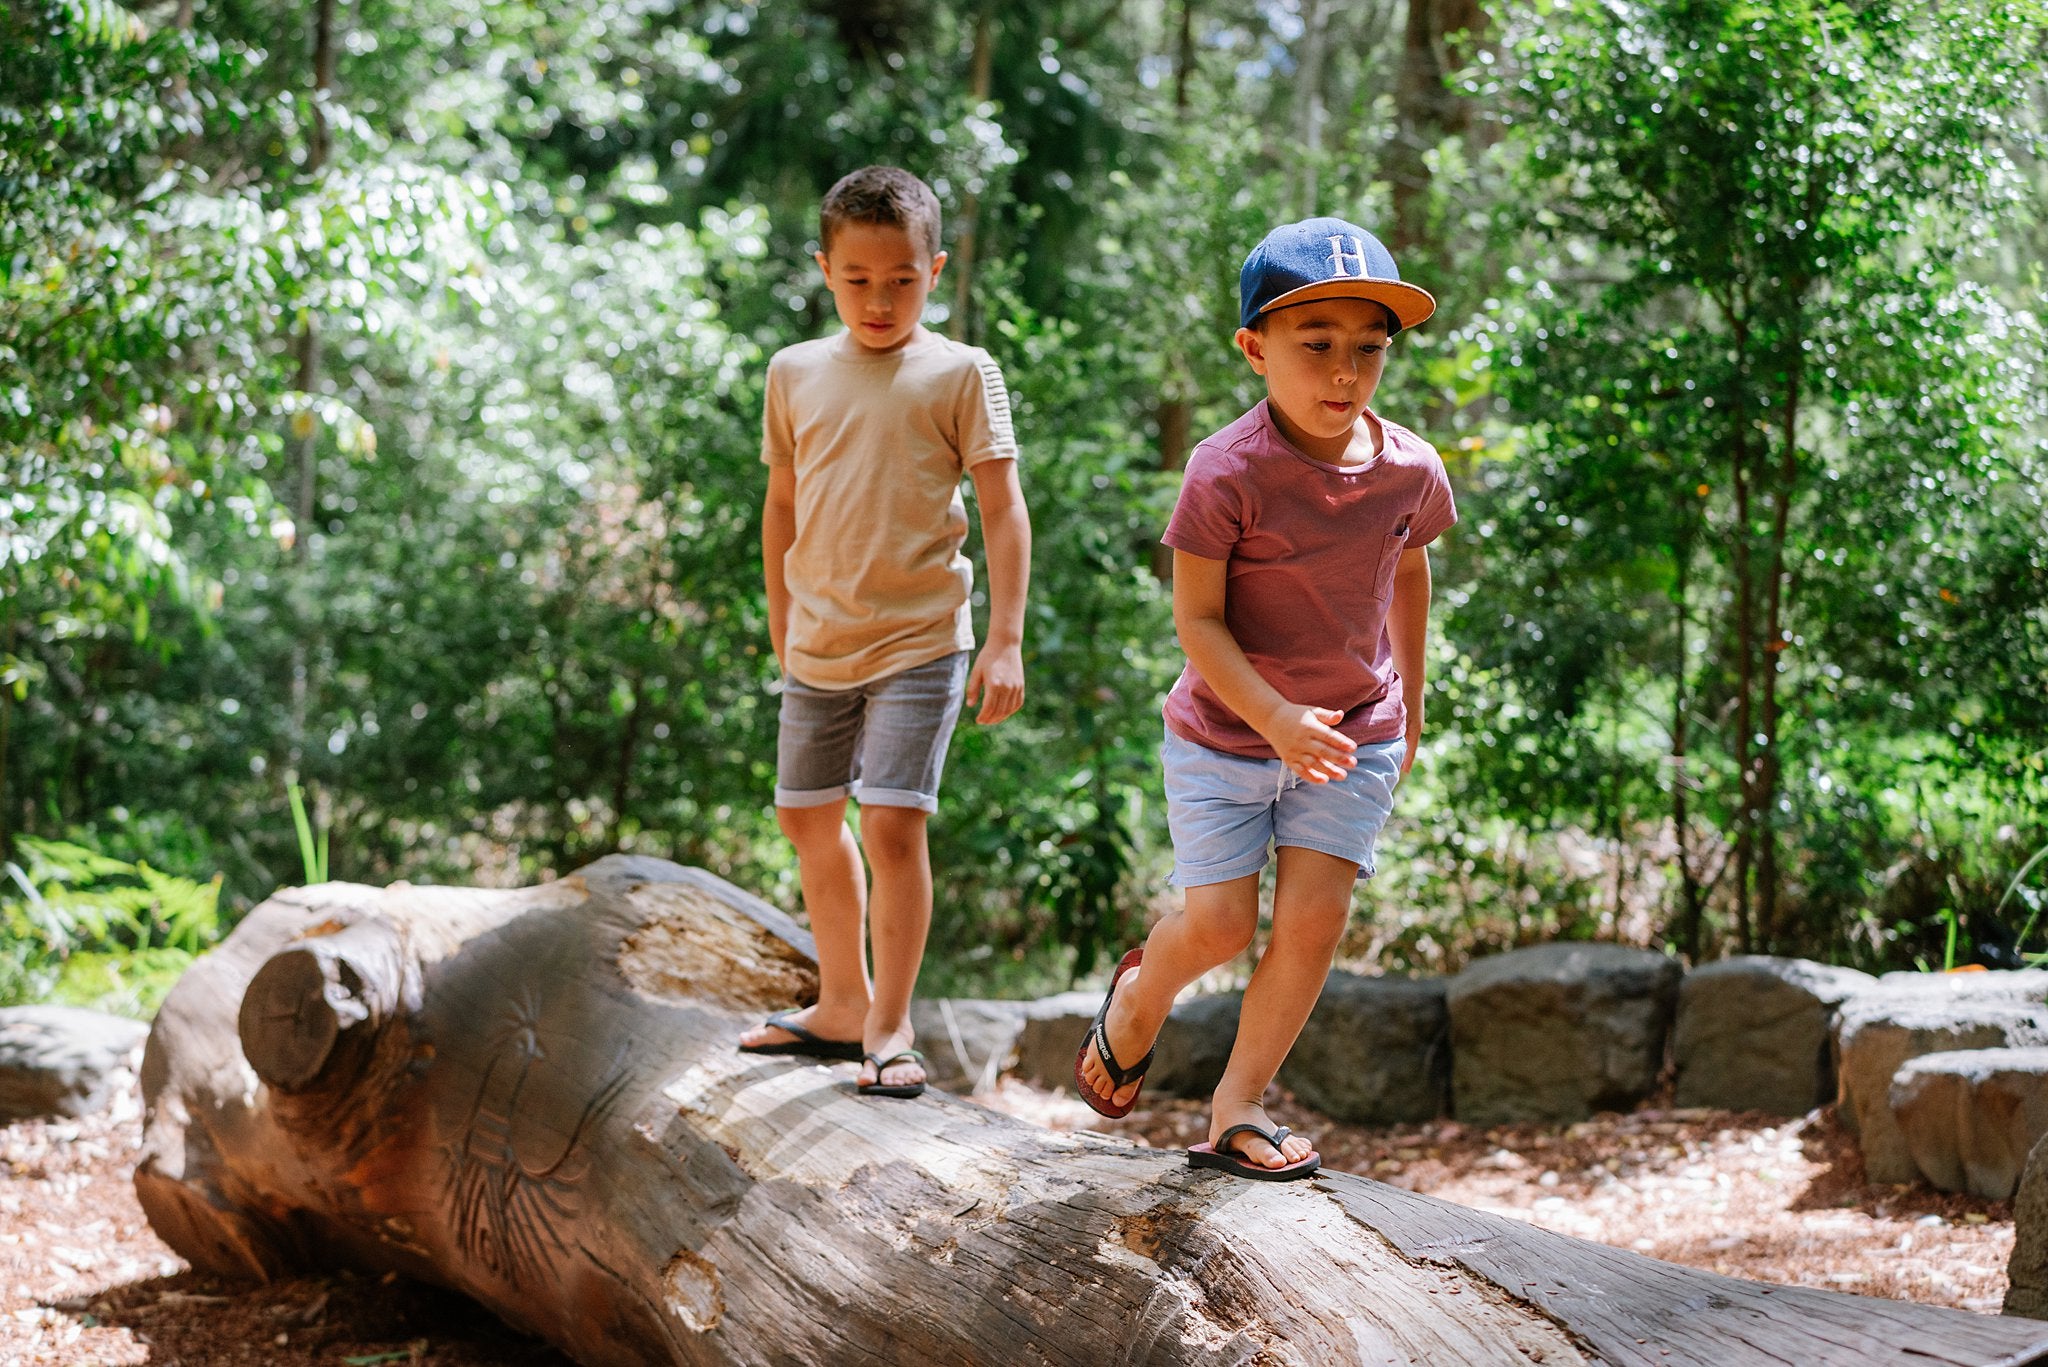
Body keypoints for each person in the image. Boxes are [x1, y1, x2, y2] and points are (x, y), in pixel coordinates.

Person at [1075, 217, 1454, 1178]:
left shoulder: (1409, 465)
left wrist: (1409, 699)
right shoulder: (1227, 468)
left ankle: (1236, 1108)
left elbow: (1408, 571)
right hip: (1226, 735)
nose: (1344, 372)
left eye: (1368, 349)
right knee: (1221, 926)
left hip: (1353, 731)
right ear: (1254, 349)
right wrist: (1274, 718)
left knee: (1316, 918)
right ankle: (1136, 997)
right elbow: (1198, 621)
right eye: (1315, 344)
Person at [736, 166, 1031, 1100]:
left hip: (921, 638)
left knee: (894, 823)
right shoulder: (792, 370)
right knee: (805, 819)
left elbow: (1003, 509)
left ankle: (891, 1025)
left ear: (934, 269)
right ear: (826, 270)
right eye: (858, 279)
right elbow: (781, 502)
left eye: (901, 279)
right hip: (818, 640)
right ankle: (839, 1003)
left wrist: (1006, 635)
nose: (879, 298)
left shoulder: (959, 372)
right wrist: (782, 619)